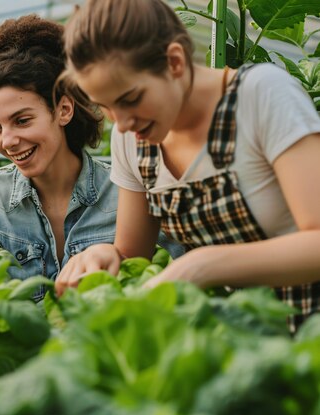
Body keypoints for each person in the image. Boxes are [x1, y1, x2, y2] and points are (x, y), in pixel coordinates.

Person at [55, 0, 320, 331]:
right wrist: (104, 255)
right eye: (105, 107)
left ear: (175, 61)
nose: (119, 124)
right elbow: (132, 253)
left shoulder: (261, 95)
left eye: (130, 99)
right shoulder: (134, 136)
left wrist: (204, 264)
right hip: (233, 343)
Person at [0, 14, 183, 301]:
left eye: (23, 120)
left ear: (64, 110)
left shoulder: (127, 191)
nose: (8, 140)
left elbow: (179, 267)